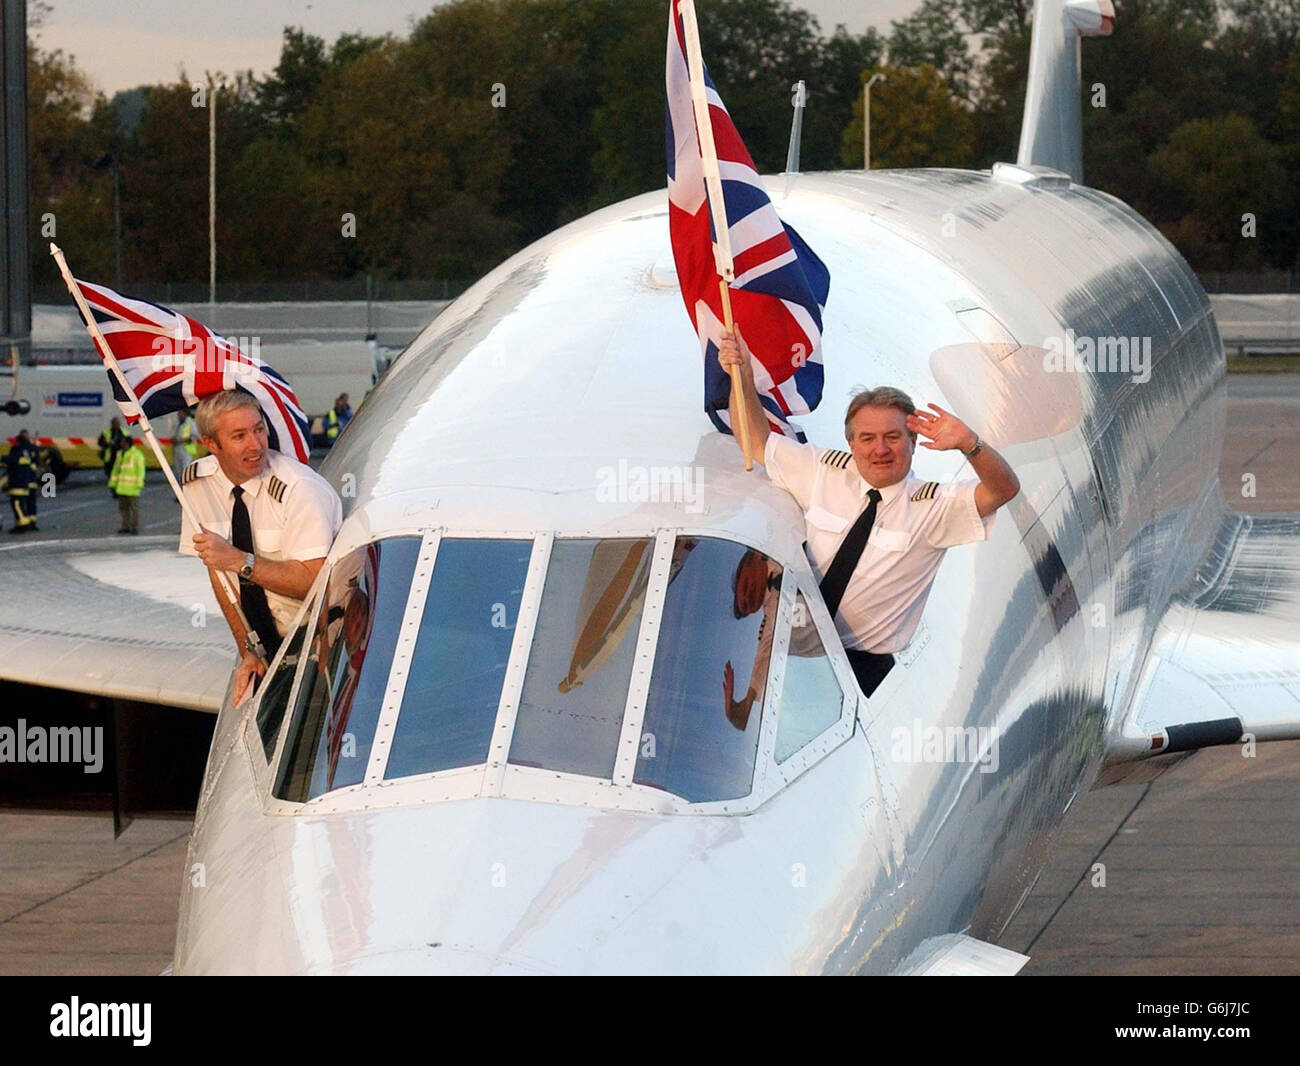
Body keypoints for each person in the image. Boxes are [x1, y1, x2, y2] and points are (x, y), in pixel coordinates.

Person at [718, 329, 1020, 697]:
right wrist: (743, 378)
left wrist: (970, 445)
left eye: (893, 437)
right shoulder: (823, 471)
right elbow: (757, 441)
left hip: (859, 672)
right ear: (851, 443)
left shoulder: (932, 507)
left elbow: (1003, 489)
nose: (880, 449)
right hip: (792, 654)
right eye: (867, 438)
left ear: (913, 442)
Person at [179, 390, 343, 705]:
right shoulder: (198, 486)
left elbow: (315, 583)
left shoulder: (299, 489)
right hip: (264, 642)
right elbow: (220, 575)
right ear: (211, 445)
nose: (256, 445)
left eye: (258, 429)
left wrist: (240, 560)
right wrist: (248, 651)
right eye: (239, 436)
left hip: (321, 643)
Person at [5, 430, 41, 534]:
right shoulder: (31, 449)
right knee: (27, 503)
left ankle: (25, 523)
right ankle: (29, 523)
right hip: (27, 480)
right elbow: (35, 463)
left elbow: (11, 462)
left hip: (20, 481)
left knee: (20, 504)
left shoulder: (17, 449)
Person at [108, 436, 146, 534]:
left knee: (134, 509)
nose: (121, 444)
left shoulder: (137, 454)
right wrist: (113, 483)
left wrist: (139, 483)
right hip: (122, 488)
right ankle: (125, 526)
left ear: (128, 443)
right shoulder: (120, 454)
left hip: (133, 488)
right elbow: (116, 469)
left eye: (123, 442)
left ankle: (134, 527)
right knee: (123, 509)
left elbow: (140, 470)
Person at [97, 417, 128, 482]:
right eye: (115, 423)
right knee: (110, 473)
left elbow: (129, 444)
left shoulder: (124, 433)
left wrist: (117, 444)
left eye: (118, 423)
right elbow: (100, 442)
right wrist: (106, 443)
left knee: (120, 472)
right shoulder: (106, 432)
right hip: (109, 458)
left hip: (120, 457)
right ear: (112, 424)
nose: (117, 425)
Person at [173, 409, 199, 483]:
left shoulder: (191, 423)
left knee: (186, 469)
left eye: (179, 413)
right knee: (179, 470)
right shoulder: (180, 423)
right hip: (178, 449)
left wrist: (180, 440)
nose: (178, 415)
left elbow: (194, 436)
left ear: (184, 413)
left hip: (186, 450)